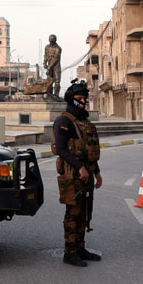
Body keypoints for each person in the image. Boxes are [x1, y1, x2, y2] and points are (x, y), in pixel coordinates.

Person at [53, 79, 102, 267]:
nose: (83, 101)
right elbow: (61, 149)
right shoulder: (64, 121)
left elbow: (89, 150)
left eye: (84, 97)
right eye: (79, 98)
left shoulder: (84, 122)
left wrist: (96, 172)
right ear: (71, 99)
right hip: (72, 176)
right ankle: (69, 252)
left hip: (86, 175)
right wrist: (80, 167)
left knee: (84, 213)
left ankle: (80, 248)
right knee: (73, 214)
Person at [43, 34, 62, 99]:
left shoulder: (58, 48)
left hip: (56, 67)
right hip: (49, 66)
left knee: (57, 81)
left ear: (55, 41)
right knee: (49, 81)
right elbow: (45, 55)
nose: (51, 42)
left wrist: (49, 67)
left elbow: (55, 59)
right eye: (50, 41)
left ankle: (56, 95)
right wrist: (44, 63)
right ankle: (49, 96)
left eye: (52, 41)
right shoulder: (46, 47)